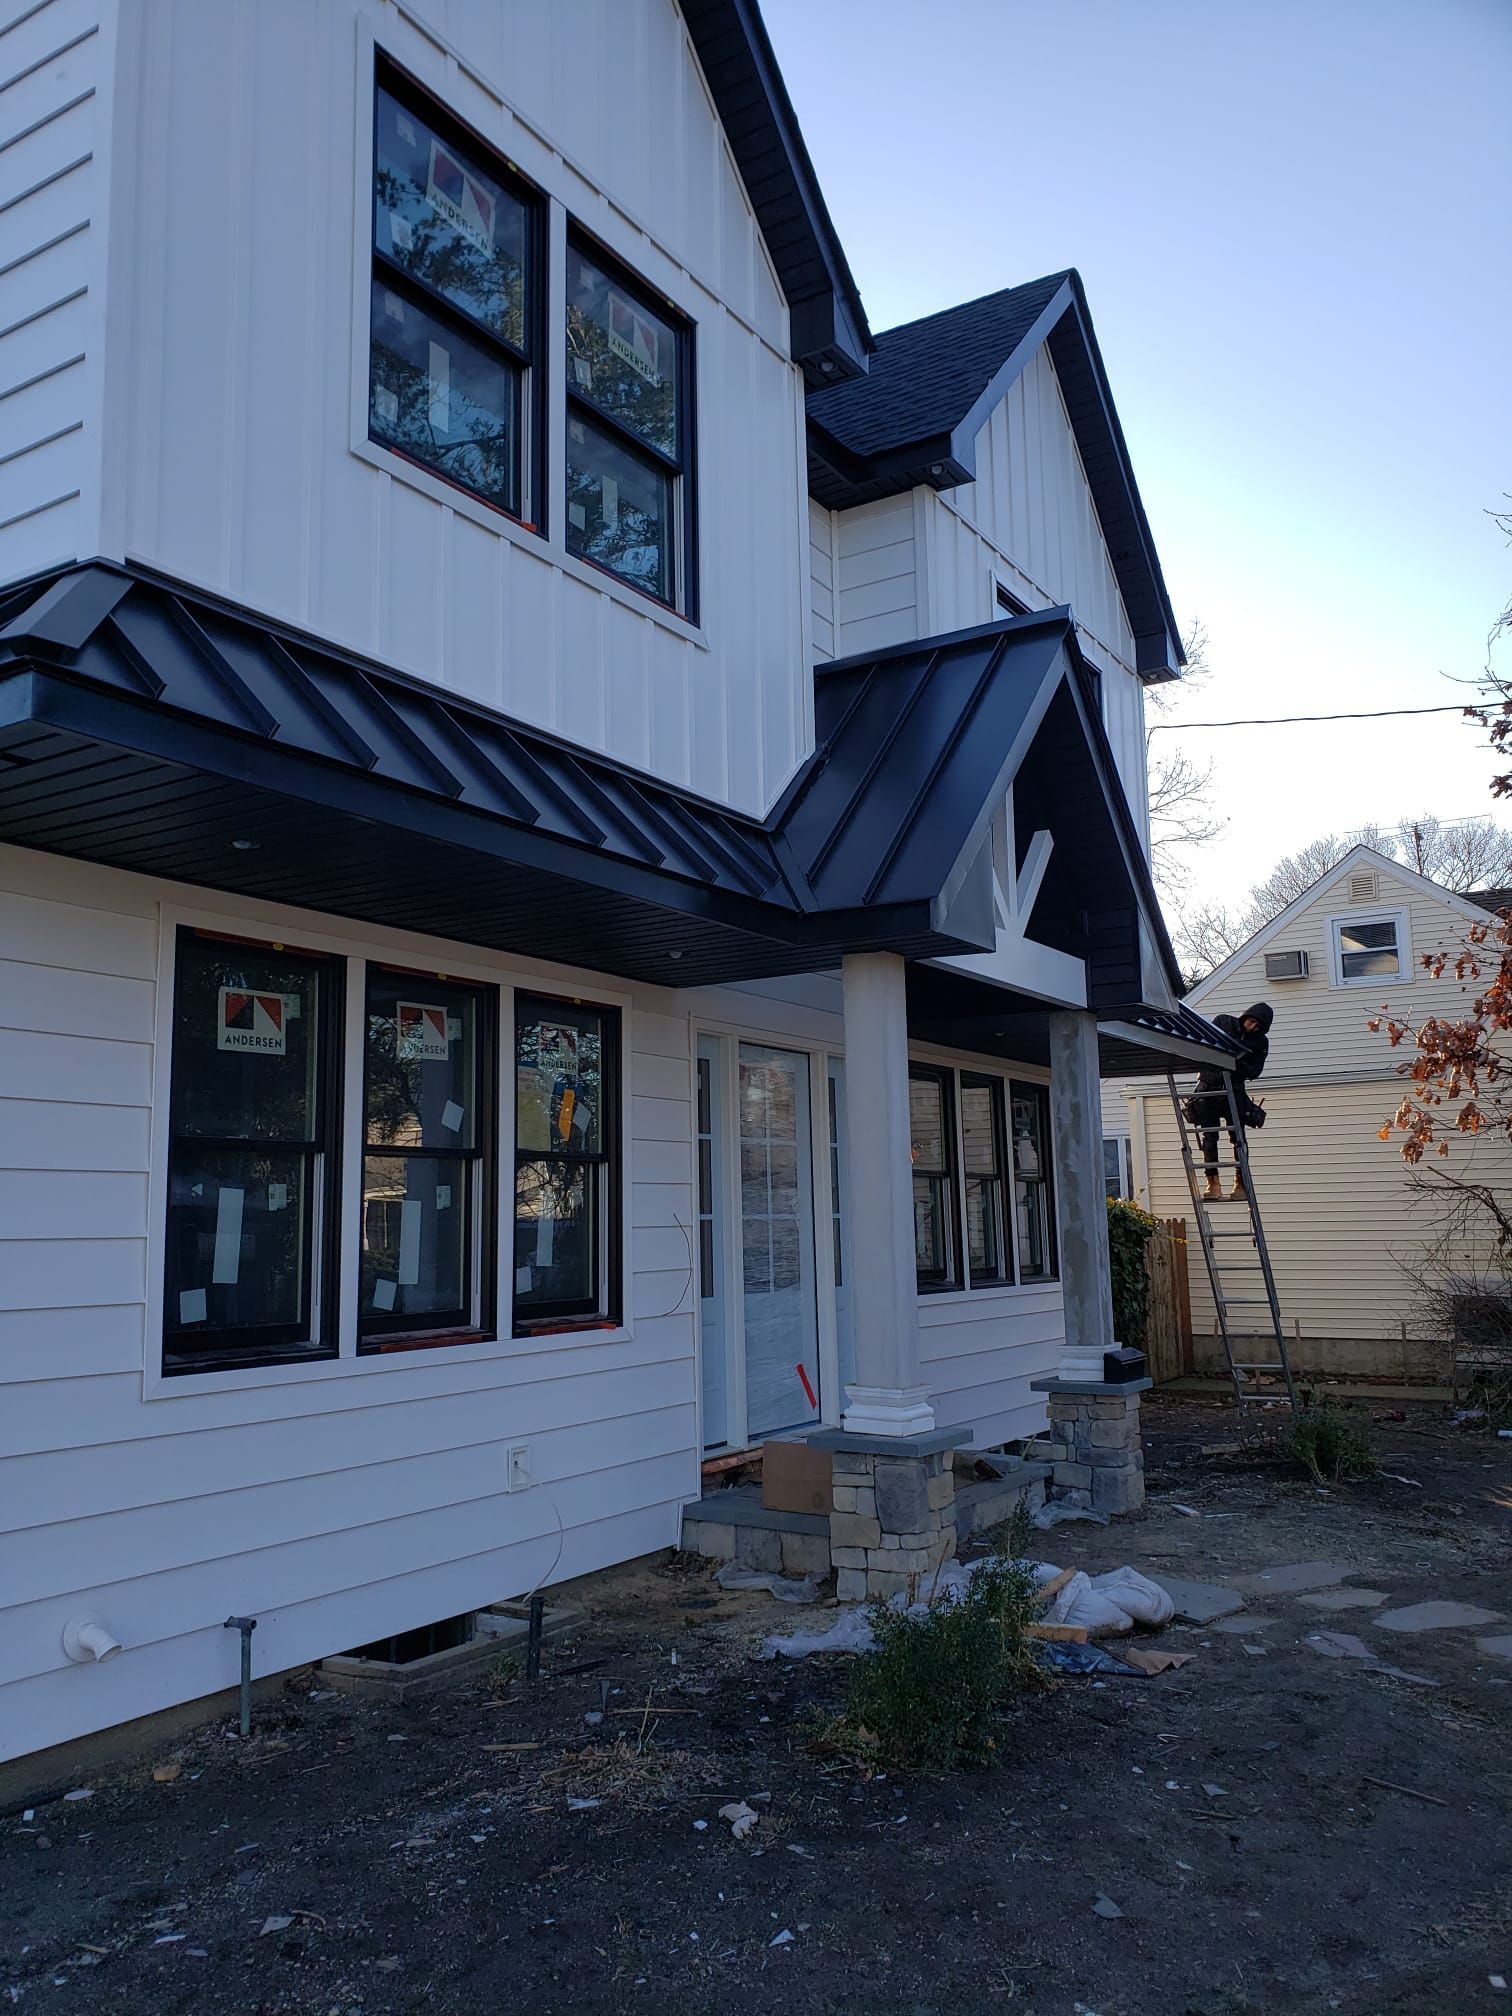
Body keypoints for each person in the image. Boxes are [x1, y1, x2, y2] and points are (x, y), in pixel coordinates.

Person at [1186, 1002, 1273, 1201]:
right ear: (1245, 1017)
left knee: (1238, 1138)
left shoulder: (1260, 1042)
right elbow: (1206, 1045)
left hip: (1233, 1090)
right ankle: (1213, 1184)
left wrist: (1235, 1063)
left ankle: (1240, 1184)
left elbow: (1255, 1071)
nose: (1252, 1028)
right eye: (1251, 1022)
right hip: (1208, 1087)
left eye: (1258, 1027)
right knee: (1209, 1138)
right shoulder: (1224, 1022)